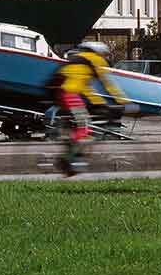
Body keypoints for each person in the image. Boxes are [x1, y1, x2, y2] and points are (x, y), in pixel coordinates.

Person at [50, 41, 130, 176]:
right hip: (69, 94)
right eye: (105, 55)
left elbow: (86, 88)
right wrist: (124, 102)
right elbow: (107, 83)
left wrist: (99, 104)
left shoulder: (78, 60)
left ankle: (70, 157)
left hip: (60, 94)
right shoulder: (94, 59)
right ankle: (68, 160)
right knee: (84, 127)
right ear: (99, 52)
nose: (105, 58)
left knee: (79, 128)